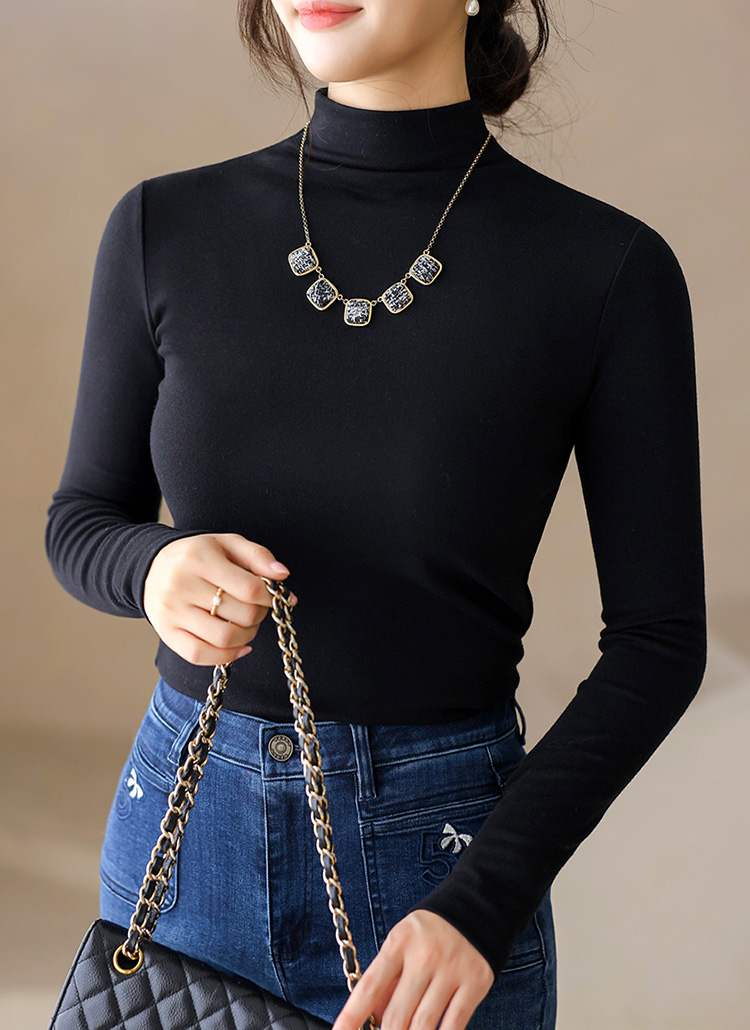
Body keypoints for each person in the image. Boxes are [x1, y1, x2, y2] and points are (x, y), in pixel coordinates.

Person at [44, 1, 707, 1029]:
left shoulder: (606, 268)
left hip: (441, 872)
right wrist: (155, 568)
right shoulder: (161, 227)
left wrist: (483, 902)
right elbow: (84, 519)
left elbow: (659, 645)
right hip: (183, 841)